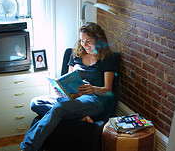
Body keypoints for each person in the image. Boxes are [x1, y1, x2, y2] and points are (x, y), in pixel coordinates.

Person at [20, 22, 117, 151]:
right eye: (82, 41)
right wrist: (61, 89)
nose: (84, 45)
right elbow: (68, 78)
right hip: (72, 98)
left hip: (94, 100)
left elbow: (108, 90)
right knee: (35, 103)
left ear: (98, 40)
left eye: (89, 41)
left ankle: (28, 147)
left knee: (58, 109)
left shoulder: (107, 58)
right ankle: (79, 117)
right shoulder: (76, 54)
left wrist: (93, 89)